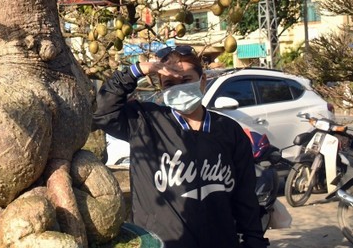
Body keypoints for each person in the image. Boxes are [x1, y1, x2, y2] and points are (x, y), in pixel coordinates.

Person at [93, 44, 269, 248]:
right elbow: (104, 111)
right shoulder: (144, 121)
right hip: (161, 243)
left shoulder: (230, 131)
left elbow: (245, 195)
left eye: (186, 80)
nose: (179, 88)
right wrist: (138, 70)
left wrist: (254, 240)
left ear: (203, 81)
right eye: (169, 83)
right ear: (161, 88)